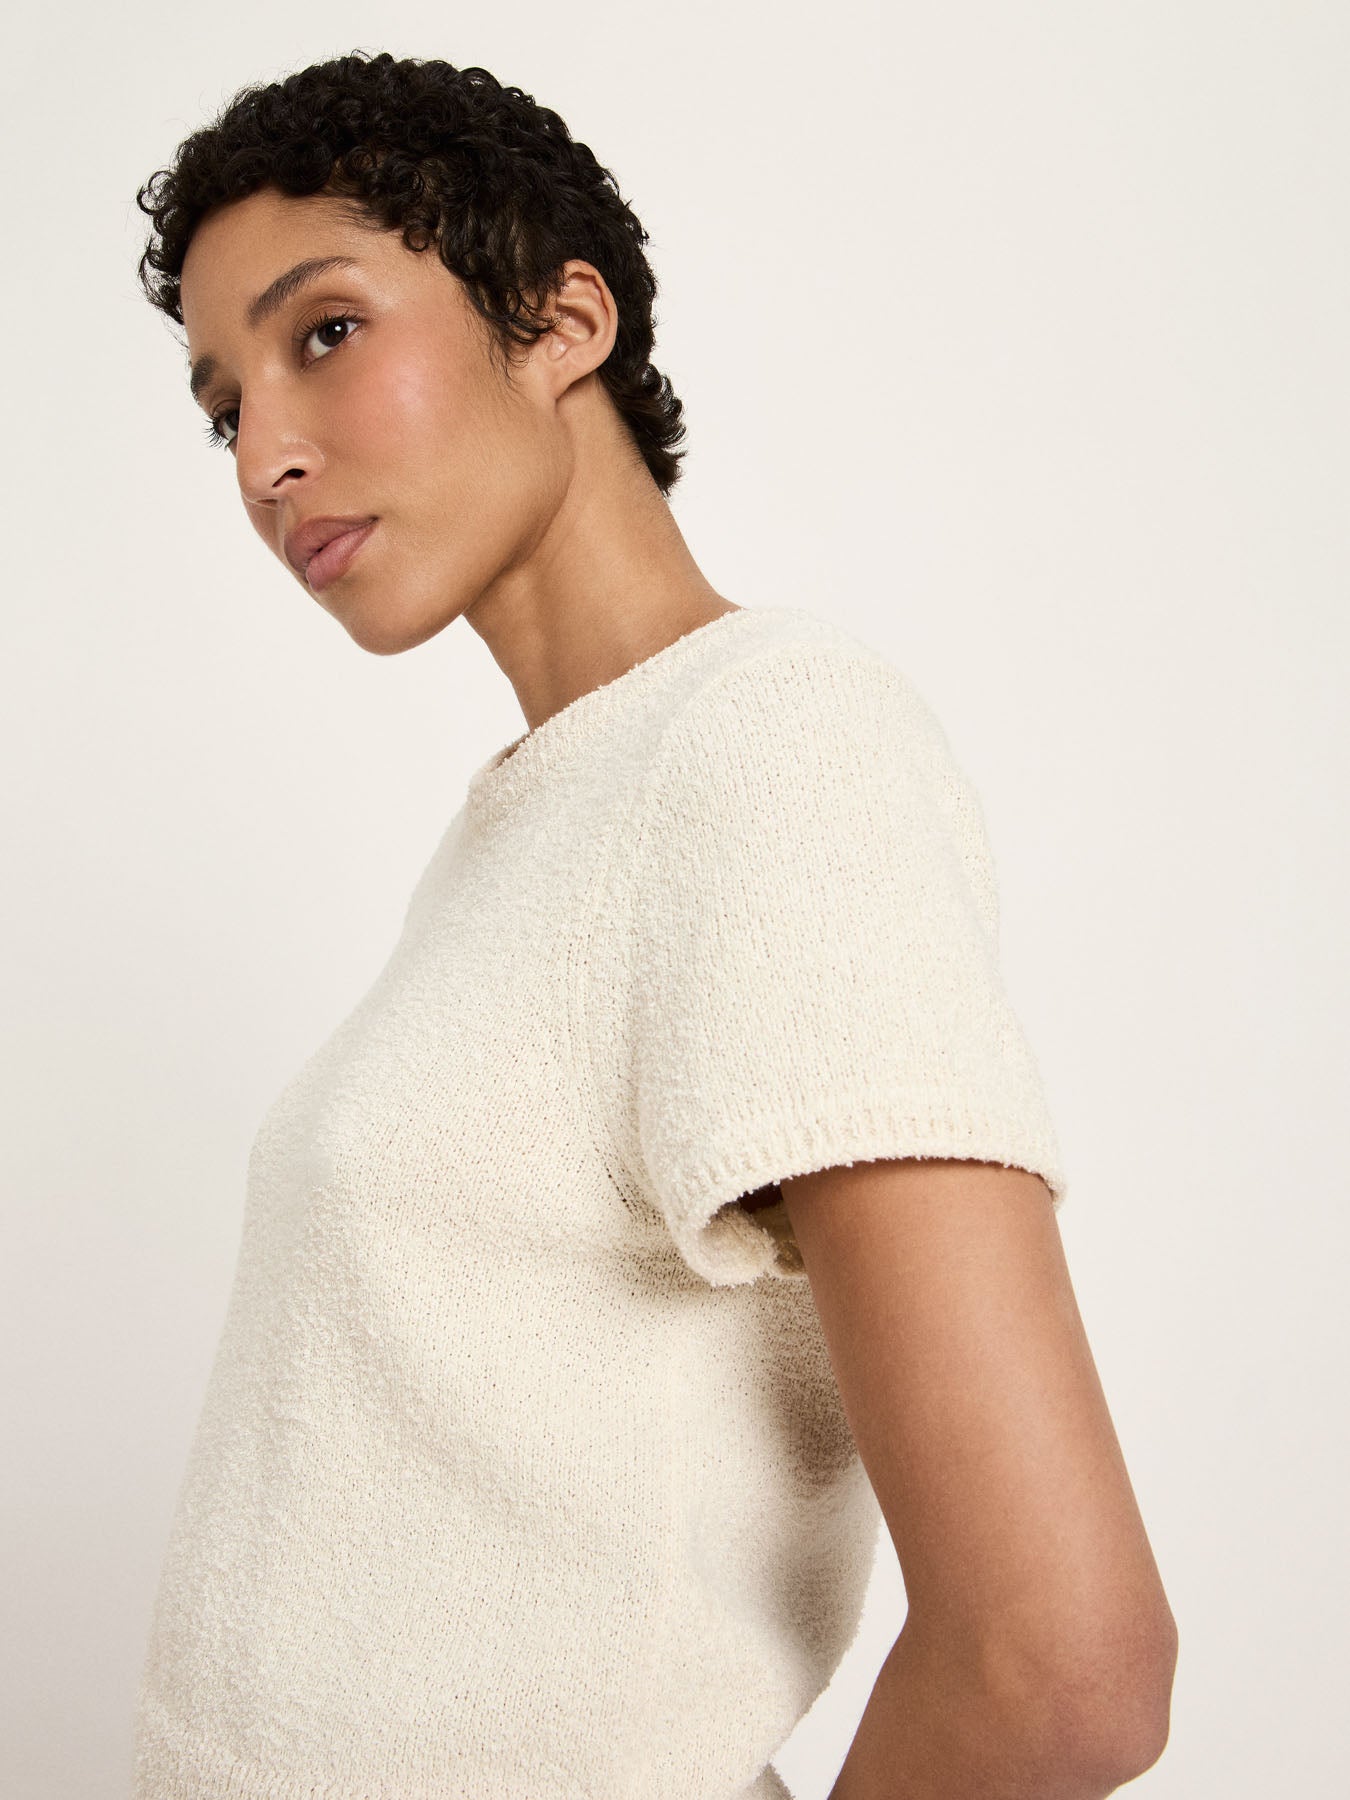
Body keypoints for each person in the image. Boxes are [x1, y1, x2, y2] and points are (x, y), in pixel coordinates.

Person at [129, 49, 1177, 1800]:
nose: (266, 458)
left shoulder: (767, 746)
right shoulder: (548, 814)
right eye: (223, 405)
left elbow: (1059, 1664)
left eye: (326, 332)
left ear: (561, 321)